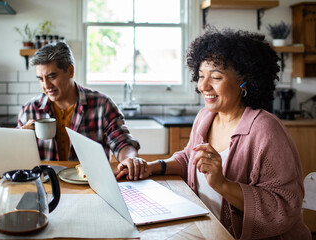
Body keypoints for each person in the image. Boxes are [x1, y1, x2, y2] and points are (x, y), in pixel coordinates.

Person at [115, 28, 312, 239]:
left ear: (244, 81)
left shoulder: (266, 129)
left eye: (215, 77)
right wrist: (152, 167)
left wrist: (222, 184)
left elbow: (284, 206)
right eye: (200, 76)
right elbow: (190, 158)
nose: (203, 86)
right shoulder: (206, 117)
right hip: (209, 230)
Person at [17, 42, 140, 162]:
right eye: (41, 79)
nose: (46, 85)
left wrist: (130, 160)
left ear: (70, 71)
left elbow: (123, 143)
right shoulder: (29, 110)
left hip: (89, 181)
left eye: (52, 77)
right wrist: (20, 139)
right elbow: (15, 156)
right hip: (46, 182)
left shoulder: (103, 105)